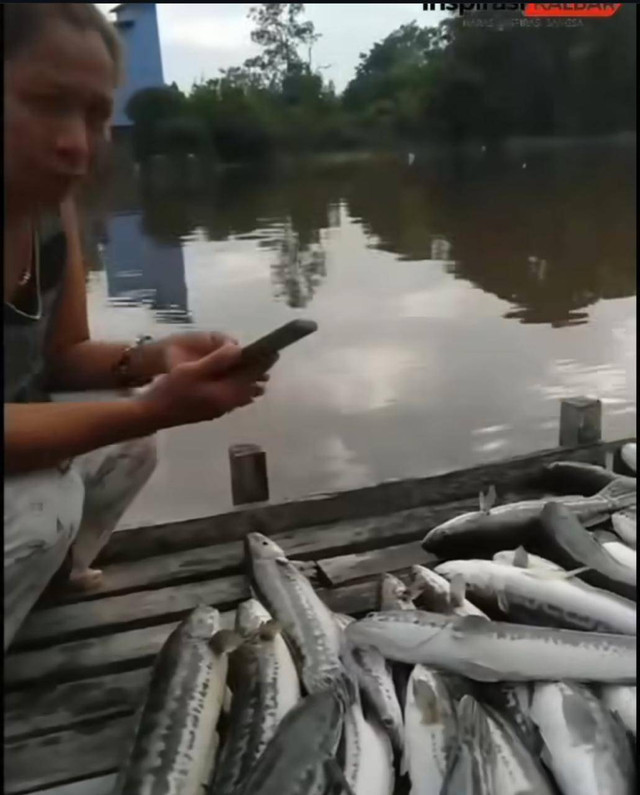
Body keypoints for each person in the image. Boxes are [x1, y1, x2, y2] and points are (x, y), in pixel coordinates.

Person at [3, 3, 276, 652]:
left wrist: (155, 356)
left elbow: (64, 356)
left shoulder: (50, 210)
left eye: (96, 115)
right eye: (47, 102)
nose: (77, 140)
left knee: (128, 443)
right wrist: (155, 407)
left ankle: (42, 590)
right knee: (46, 507)